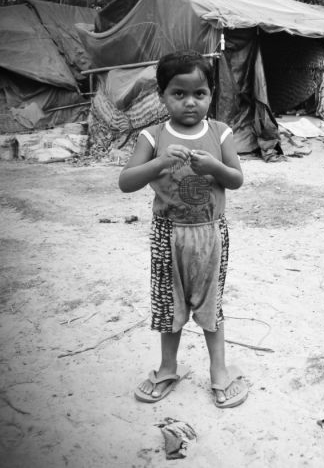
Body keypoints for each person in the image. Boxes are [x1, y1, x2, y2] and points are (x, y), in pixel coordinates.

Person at [119, 50, 248, 409]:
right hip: (167, 234)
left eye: (200, 94)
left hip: (210, 233)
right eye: (179, 94)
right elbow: (126, 181)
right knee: (168, 304)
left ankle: (219, 372)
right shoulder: (153, 135)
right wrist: (159, 162)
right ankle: (166, 368)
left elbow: (236, 180)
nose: (190, 102)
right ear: (162, 95)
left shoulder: (221, 133)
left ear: (211, 95)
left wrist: (215, 169)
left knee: (211, 305)